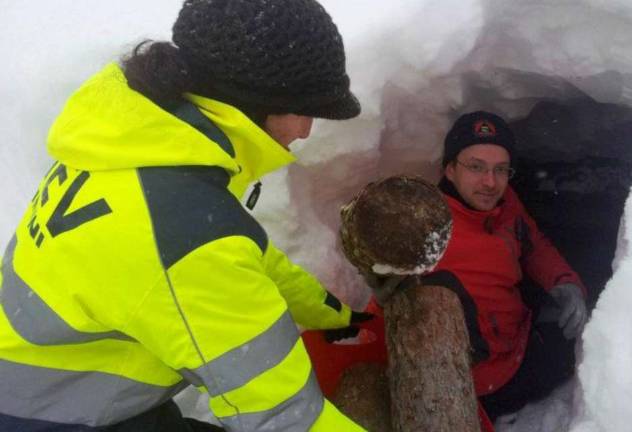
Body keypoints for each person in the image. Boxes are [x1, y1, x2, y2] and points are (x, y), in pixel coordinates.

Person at [0, 1, 368, 431]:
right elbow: (287, 419)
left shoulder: (137, 145)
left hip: (58, 382)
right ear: (253, 102)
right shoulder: (187, 236)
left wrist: (327, 311)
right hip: (56, 417)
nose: (305, 131)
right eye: (302, 111)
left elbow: (240, 254)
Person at [369, 111, 588, 425]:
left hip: (519, 331)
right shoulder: (426, 232)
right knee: (587, 348)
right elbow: (384, 302)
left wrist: (564, 281)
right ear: (450, 170)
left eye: (500, 170)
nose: (490, 182)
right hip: (492, 381)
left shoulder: (504, 200)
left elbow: (533, 243)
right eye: (476, 167)